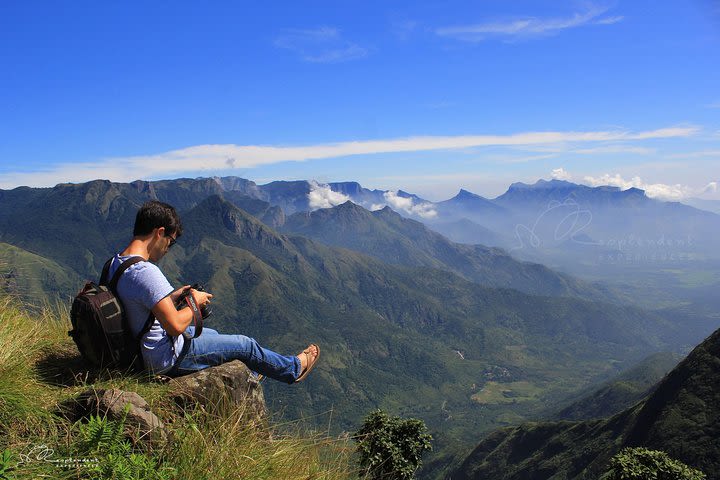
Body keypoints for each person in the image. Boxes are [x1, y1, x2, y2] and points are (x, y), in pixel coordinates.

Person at [108, 200, 319, 383]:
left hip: (141, 348)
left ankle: (251, 374)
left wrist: (171, 297)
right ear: (159, 233)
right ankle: (292, 369)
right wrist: (194, 302)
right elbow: (174, 326)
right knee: (246, 345)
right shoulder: (146, 272)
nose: (167, 249)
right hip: (162, 358)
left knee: (214, 335)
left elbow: (137, 302)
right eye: (170, 242)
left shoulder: (117, 263)